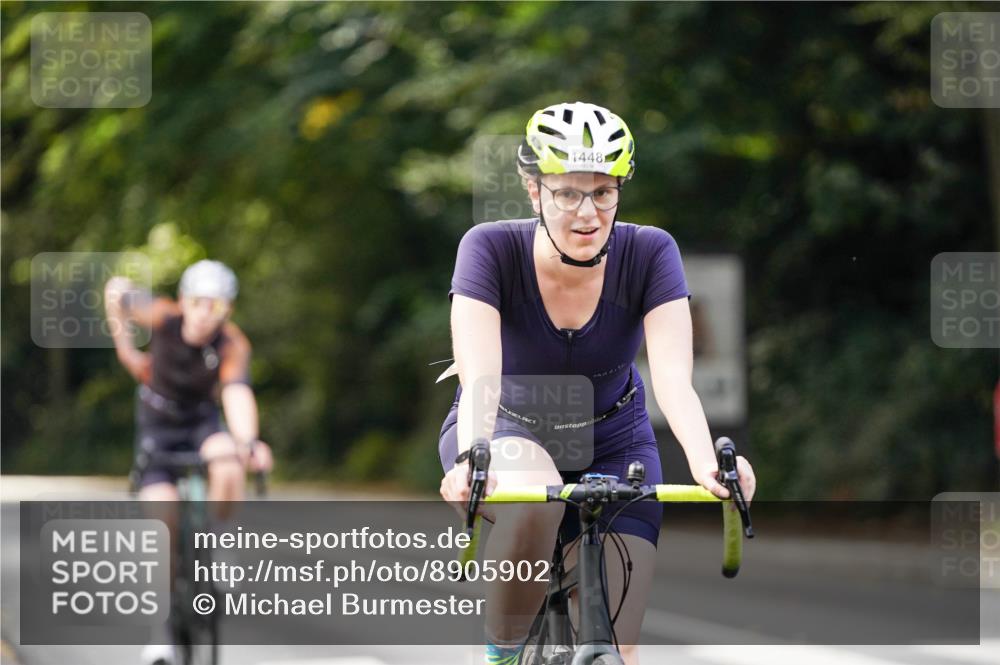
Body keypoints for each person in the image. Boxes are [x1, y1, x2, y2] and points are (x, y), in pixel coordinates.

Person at [438, 101, 756, 665]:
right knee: (534, 505)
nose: (587, 213)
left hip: (614, 438)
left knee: (617, 647)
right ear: (534, 191)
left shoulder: (650, 251)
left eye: (603, 192)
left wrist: (709, 464)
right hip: (510, 428)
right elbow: (481, 373)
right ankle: (501, 655)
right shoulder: (489, 247)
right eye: (567, 193)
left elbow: (673, 379)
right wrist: (472, 458)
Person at [104, 259, 273, 665]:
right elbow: (115, 291)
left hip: (200, 422)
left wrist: (248, 441)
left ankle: (221, 543)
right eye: (198, 303)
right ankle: (161, 634)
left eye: (216, 306)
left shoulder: (231, 344)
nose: (204, 314)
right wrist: (126, 351)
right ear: (183, 301)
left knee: (229, 460)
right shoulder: (163, 316)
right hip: (158, 426)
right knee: (162, 521)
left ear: (227, 310)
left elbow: (235, 392)